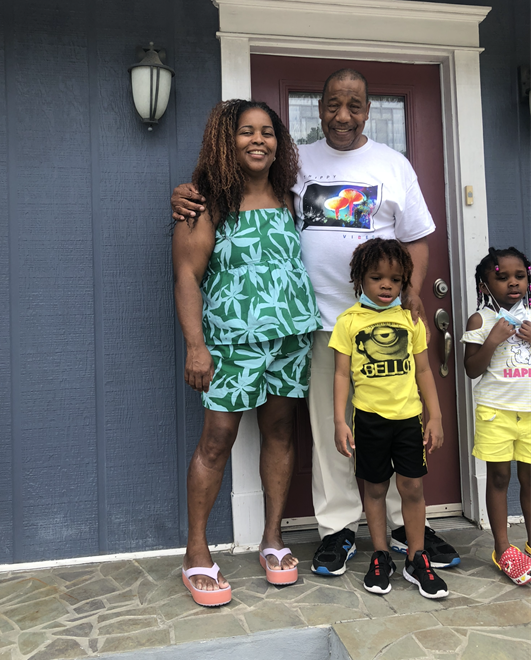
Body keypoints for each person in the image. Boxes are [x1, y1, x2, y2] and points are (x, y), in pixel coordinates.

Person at [171, 69, 460, 574]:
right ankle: (338, 529)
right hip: (320, 322)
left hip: (366, 324)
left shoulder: (391, 165)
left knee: (392, 421)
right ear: (319, 107)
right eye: (332, 104)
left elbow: (416, 236)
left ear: (368, 110)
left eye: (354, 105)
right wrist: (187, 193)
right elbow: (219, 205)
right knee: (333, 433)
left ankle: (400, 524)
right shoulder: (296, 164)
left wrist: (413, 294)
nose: (343, 115)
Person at [172, 99, 322, 606]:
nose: (259, 140)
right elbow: (188, 279)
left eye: (268, 132)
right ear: (225, 140)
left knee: (280, 432)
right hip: (231, 344)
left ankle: (273, 540)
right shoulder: (204, 204)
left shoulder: (293, 198)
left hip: (289, 339)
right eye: (246, 132)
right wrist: (196, 346)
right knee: (217, 439)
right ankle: (197, 552)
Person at [330, 237, 449, 597]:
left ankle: (417, 558)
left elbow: (424, 371)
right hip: (369, 420)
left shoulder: (410, 319)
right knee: (376, 489)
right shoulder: (348, 322)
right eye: (376, 278)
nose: (386, 286)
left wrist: (436, 416)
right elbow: (340, 375)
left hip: (408, 419)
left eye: (395, 280)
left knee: (412, 488)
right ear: (359, 280)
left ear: (404, 282)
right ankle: (381, 555)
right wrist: (340, 421)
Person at [461, 246, 531, 585]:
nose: (513, 284)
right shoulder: (481, 320)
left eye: (519, 277)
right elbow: (471, 369)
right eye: (502, 278)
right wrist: (491, 340)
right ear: (484, 285)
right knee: (500, 478)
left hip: (530, 411)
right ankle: (503, 548)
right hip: (495, 411)